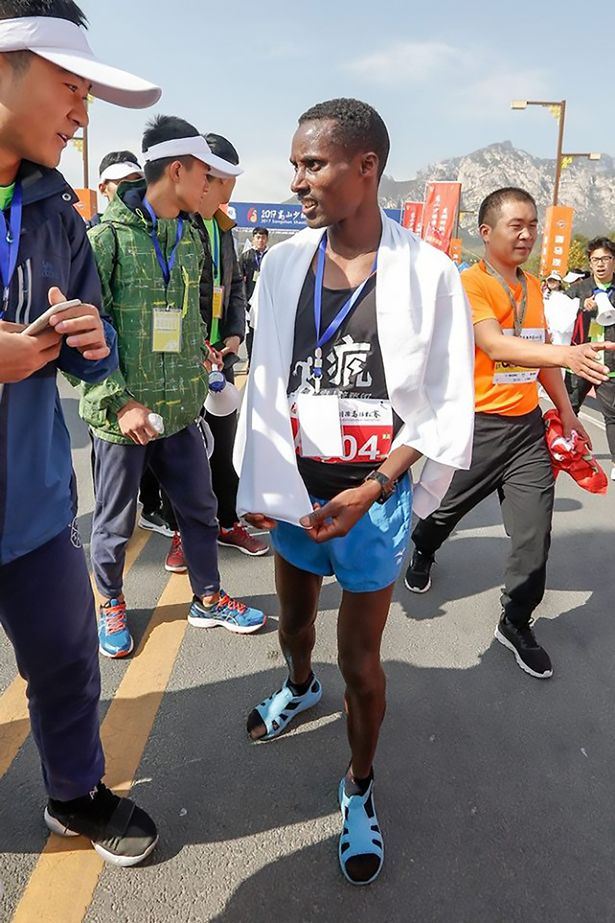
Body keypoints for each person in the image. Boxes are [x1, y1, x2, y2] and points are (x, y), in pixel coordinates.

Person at [234, 98, 476, 885]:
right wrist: (258, 477)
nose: (296, 180)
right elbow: (266, 380)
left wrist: (374, 485)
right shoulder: (281, 265)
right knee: (295, 624)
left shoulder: (429, 274)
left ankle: (358, 784)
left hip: (370, 498)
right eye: (295, 164)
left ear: (365, 167)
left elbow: (442, 403)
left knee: (362, 662)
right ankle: (297, 686)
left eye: (313, 164)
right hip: (296, 492)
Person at [0, 0, 161, 866]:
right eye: (69, 84)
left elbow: (90, 360)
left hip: (32, 508)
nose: (81, 109)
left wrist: (92, 346)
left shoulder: (57, 211)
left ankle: (75, 793)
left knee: (66, 661)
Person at [80, 115, 266, 660]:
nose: (212, 186)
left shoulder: (191, 238)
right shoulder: (106, 240)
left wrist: (197, 350)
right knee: (114, 523)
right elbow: (82, 336)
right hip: (125, 417)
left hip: (181, 410)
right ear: (178, 171)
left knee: (200, 509)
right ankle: (111, 601)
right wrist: (120, 403)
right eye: (207, 174)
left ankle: (208, 597)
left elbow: (185, 313)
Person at [406, 188, 612, 680]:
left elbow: (539, 358)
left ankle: (516, 621)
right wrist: (567, 354)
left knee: (533, 534)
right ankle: (425, 549)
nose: (527, 235)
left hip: (525, 430)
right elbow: (495, 343)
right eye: (515, 225)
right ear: (486, 232)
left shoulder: (535, 288)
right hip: (474, 426)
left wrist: (567, 413)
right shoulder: (469, 283)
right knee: (441, 513)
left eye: (533, 225)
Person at [188, 133, 268, 559]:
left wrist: (234, 334)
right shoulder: (179, 223)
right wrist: (196, 345)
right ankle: (183, 531)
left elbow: (235, 286)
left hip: (223, 353)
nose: (230, 187)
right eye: (226, 179)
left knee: (223, 443)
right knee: (185, 451)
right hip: (189, 358)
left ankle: (227, 522)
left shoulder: (223, 227)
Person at [565, 237, 615, 477]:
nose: (600, 264)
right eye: (595, 260)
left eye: (605, 258)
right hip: (580, 359)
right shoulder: (579, 289)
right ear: (590, 263)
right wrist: (579, 306)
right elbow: (559, 314)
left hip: (609, 363)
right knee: (567, 407)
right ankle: (562, 453)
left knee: (612, 416)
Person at [86, 149, 143, 229]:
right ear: (103, 189)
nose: (132, 186)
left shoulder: (156, 229)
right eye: (122, 182)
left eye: (137, 181)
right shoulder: (88, 232)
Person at [239, 225, 268, 360]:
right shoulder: (246, 257)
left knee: (265, 331)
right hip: (250, 300)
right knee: (250, 331)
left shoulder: (271, 256)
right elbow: (239, 279)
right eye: (258, 237)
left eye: (263, 237)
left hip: (266, 300)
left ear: (267, 239)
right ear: (253, 239)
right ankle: (251, 359)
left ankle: (262, 358)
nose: (261, 240)